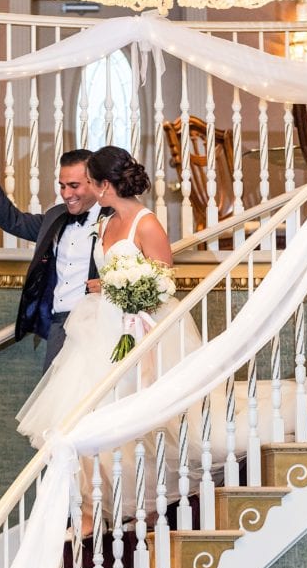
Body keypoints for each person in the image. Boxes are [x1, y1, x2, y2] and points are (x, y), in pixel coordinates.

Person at [16, 146, 203, 523]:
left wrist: (119, 287)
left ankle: (144, 503)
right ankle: (91, 509)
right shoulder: (105, 223)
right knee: (81, 416)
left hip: (137, 327)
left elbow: (166, 280)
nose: (82, 190)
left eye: (88, 183)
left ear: (102, 185)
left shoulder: (146, 223)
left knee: (134, 419)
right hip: (98, 326)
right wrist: (106, 287)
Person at [0, 148, 103, 371]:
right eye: (62, 186)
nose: (66, 194)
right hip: (59, 326)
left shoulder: (115, 218)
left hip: (97, 323)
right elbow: (15, 221)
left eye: (74, 185)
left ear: (94, 183)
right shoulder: (55, 216)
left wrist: (109, 285)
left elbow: (140, 267)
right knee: (52, 398)